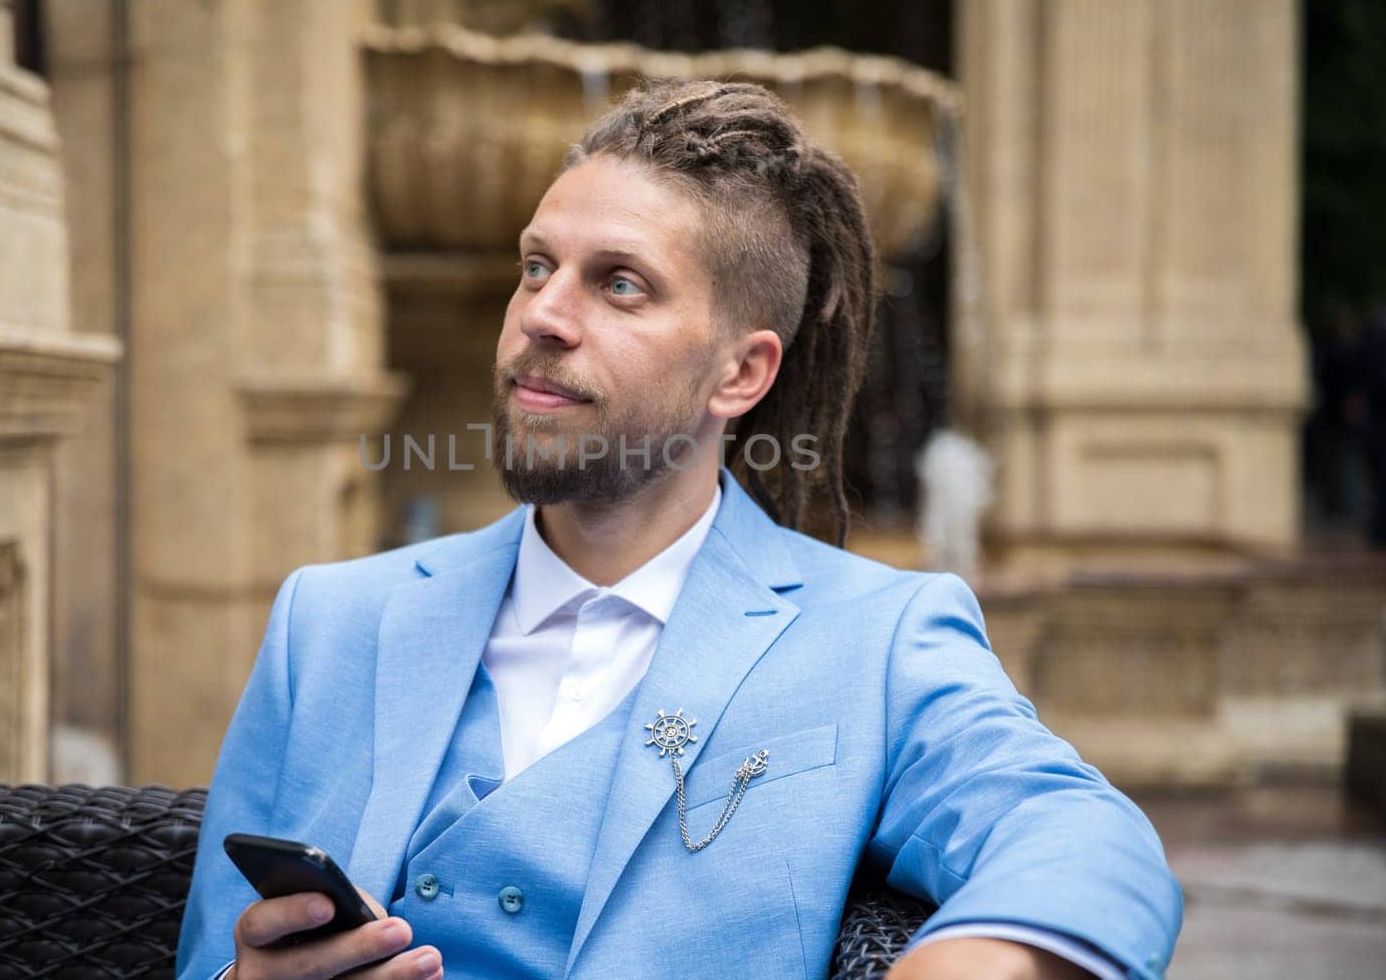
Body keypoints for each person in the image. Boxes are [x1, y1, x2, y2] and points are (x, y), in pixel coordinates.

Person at [175, 80, 1182, 980]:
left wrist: (979, 959)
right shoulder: (331, 622)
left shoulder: (878, 638)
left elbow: (1080, 832)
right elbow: (212, 955)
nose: (544, 315)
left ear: (740, 373)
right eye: (536, 267)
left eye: (619, 283)